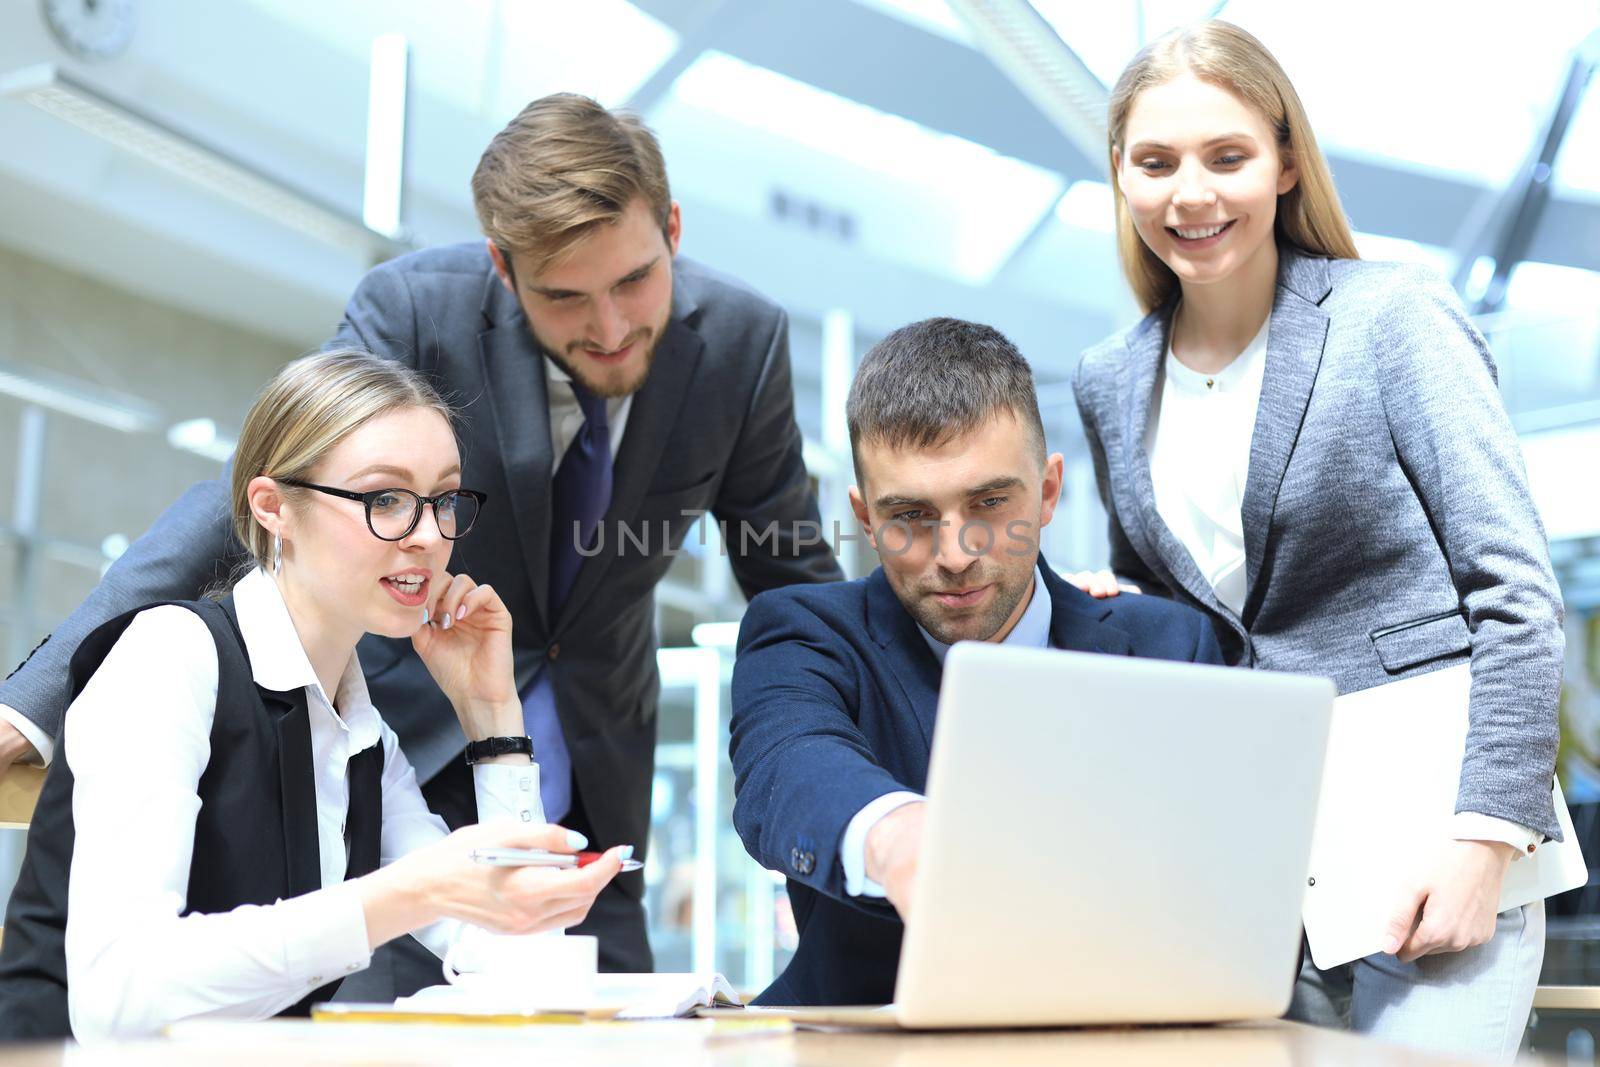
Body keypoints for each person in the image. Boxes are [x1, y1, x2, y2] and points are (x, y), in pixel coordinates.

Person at [0, 93, 840, 981]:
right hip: (403, 774)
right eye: (565, 297)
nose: (611, 326)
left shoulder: (741, 344)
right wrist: (35, 701)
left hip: (593, 791)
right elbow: (258, 486)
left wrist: (871, 770)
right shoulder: (417, 310)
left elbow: (792, 580)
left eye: (635, 280)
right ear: (504, 270)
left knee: (586, 1017)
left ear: (671, 227)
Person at [1069, 21, 1562, 1059]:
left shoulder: (1393, 317)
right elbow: (1175, 611)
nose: (1188, 194)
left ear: (1286, 160)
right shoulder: (1109, 377)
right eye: (1154, 162)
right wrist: (1098, 603)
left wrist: (1485, 837)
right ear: (1119, 171)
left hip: (1429, 848)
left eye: (1226, 155)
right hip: (1246, 874)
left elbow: (1515, 593)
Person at [0, 351, 628, 1041]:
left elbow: (519, 959)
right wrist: (404, 894)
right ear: (273, 507)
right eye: (384, 498)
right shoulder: (168, 657)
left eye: (444, 499)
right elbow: (117, 998)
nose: (427, 536)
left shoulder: (362, 732)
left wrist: (494, 719)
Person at [727, 318, 1224, 1006]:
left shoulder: (1170, 649)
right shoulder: (808, 634)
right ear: (865, 517)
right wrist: (898, 837)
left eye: (989, 503)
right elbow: (790, 760)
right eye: (911, 515)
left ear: (1049, 492)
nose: (955, 552)